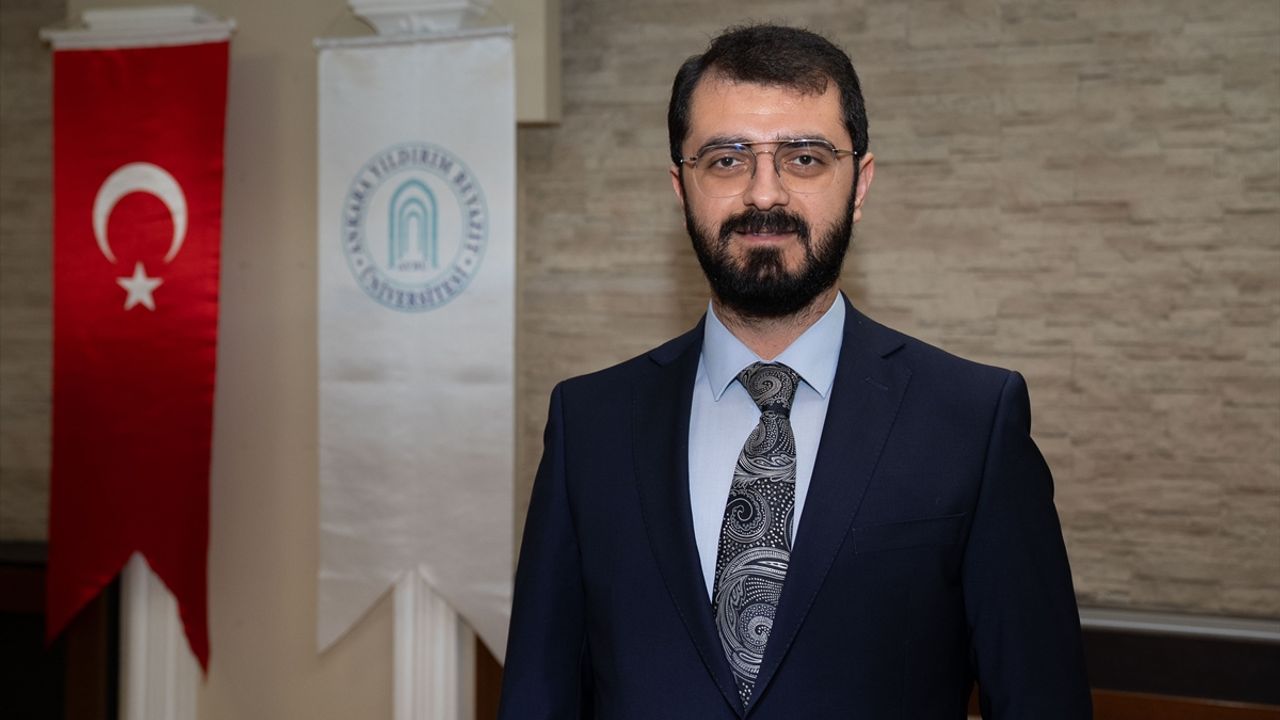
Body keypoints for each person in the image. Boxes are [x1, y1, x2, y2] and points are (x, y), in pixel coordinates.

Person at [499, 24, 1091, 719]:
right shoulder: (589, 425)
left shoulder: (973, 421)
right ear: (681, 188)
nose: (764, 195)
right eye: (726, 159)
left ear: (859, 183)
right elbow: (538, 697)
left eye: (804, 158)